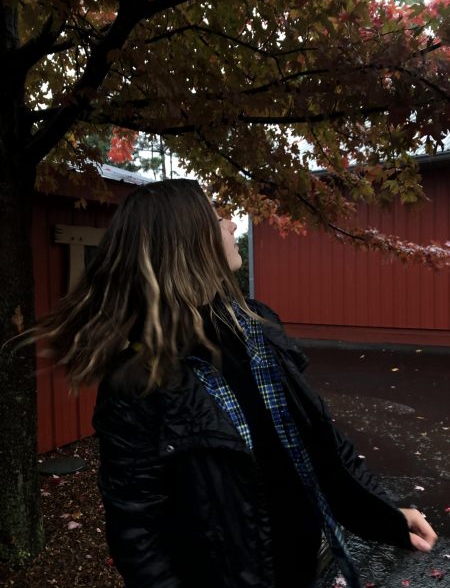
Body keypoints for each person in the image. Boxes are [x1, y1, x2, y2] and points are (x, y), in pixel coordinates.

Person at [31, 179, 437, 588]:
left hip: (299, 567)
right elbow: (138, 534)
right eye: (218, 217)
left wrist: (386, 514)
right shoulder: (139, 378)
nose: (232, 226)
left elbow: (320, 441)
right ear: (188, 240)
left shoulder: (258, 326)